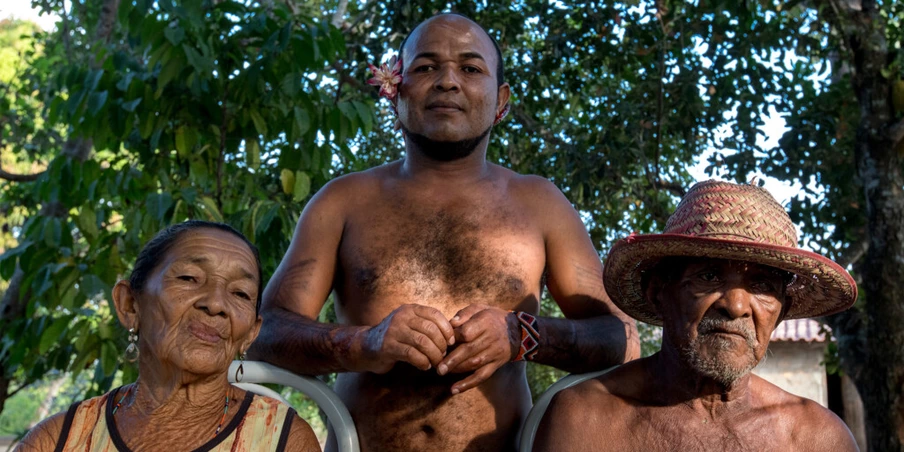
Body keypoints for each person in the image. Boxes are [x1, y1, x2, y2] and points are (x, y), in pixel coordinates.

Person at [249, 12, 639, 452]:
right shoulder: (341, 202)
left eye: (471, 68)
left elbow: (618, 339)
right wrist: (365, 343)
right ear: (395, 92)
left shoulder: (541, 204)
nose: (448, 81)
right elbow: (263, 334)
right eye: (425, 67)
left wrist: (519, 334)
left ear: (501, 101)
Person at [533, 180, 860, 451]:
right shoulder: (587, 420)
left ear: (782, 312)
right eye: (709, 277)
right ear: (658, 291)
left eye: (761, 285)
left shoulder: (815, 439)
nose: (736, 306)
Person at [16, 221, 319, 452]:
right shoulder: (58, 440)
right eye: (189, 278)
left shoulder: (283, 439)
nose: (215, 304)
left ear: (251, 333)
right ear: (129, 304)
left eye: (240, 293)